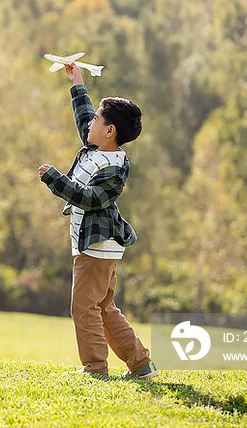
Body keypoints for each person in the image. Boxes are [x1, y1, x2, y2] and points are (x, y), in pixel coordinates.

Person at [38, 63, 157, 380]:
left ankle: (95, 369)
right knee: (103, 308)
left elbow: (90, 199)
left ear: (110, 131)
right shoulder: (97, 146)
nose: (90, 123)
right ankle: (141, 364)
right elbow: (83, 119)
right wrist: (77, 83)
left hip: (97, 246)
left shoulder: (113, 166)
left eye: (98, 120)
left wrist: (54, 179)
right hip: (93, 244)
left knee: (84, 308)